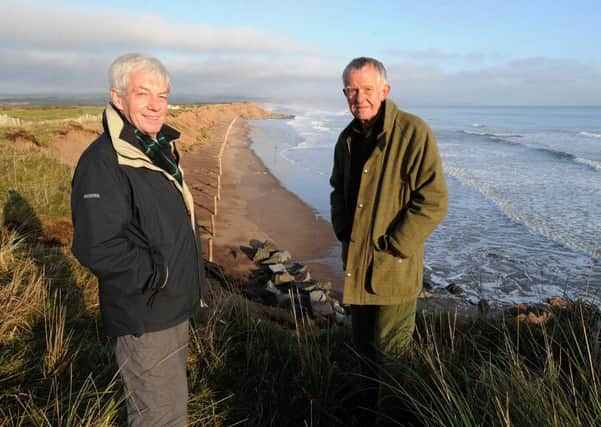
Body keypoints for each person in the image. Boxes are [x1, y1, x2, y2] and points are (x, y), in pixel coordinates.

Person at [71, 53, 206, 426]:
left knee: (169, 407)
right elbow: (96, 246)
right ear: (118, 97)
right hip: (146, 315)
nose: (155, 105)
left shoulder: (155, 149)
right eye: (143, 93)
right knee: (159, 417)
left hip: (171, 305)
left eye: (162, 95)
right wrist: (158, 277)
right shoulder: (104, 162)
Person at [329, 57, 448, 419]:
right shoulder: (348, 138)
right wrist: (342, 230)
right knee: (364, 351)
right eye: (351, 90)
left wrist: (396, 245)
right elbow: (338, 188)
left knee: (393, 361)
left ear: (385, 90)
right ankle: (367, 415)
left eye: (366, 89)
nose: (358, 97)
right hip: (357, 266)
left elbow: (434, 199)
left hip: (393, 272)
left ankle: (392, 420)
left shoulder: (413, 132)